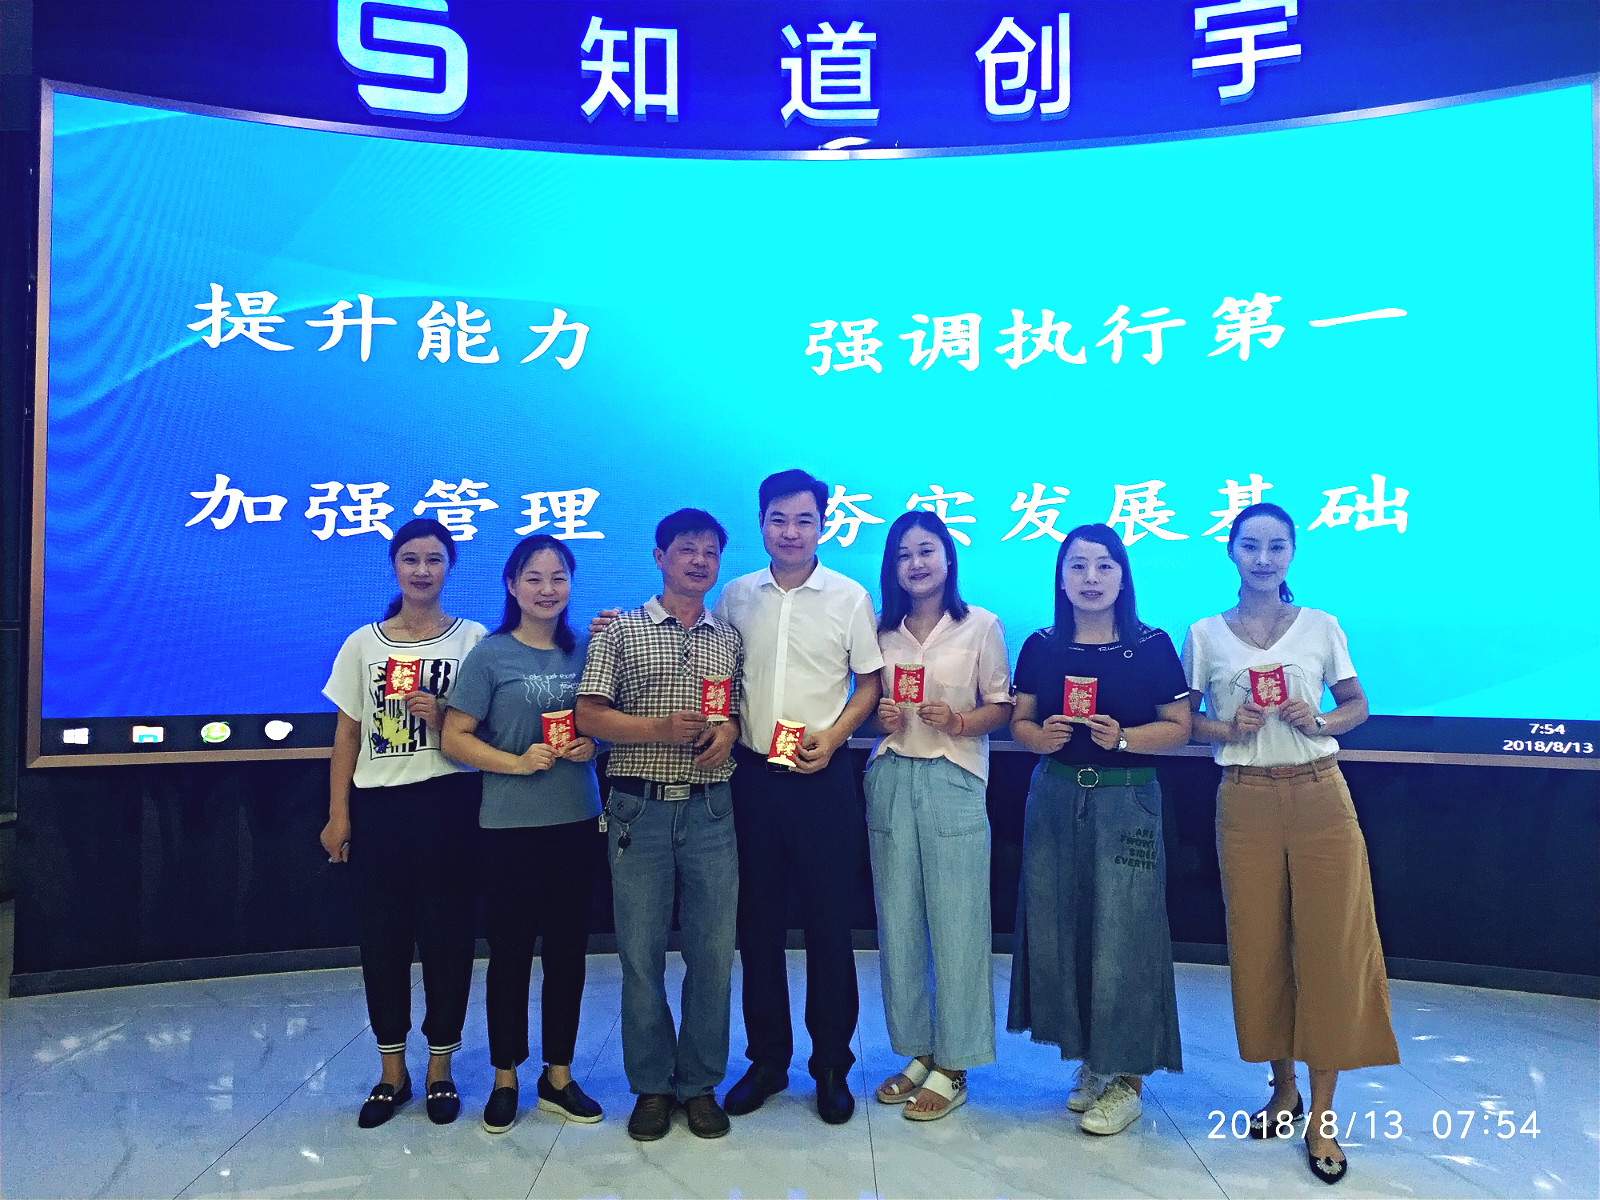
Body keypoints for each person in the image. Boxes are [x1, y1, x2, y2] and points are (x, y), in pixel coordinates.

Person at [1182, 502, 1398, 1186]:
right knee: (1260, 946)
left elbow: (1357, 705)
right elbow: (1185, 720)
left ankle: (1323, 1116)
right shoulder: (1205, 634)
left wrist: (1321, 718)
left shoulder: (1321, 626)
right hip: (1244, 796)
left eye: (1276, 546)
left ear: (1292, 553)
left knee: (1331, 949)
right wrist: (1228, 727)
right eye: (1251, 545)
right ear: (1232, 551)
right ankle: (1284, 1091)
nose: (1263, 558)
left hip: (1319, 794)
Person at [1007, 524, 1191, 1137]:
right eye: (1078, 566)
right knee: (1066, 927)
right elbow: (1021, 723)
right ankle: (1093, 1058)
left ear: (1122, 576)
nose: (1091, 577)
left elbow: (1180, 727)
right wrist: (1040, 737)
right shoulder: (1040, 646)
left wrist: (1126, 739)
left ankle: (1128, 1079)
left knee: (1127, 935)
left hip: (1126, 801)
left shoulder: (1152, 645)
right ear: (1061, 578)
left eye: (1104, 565)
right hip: (1056, 797)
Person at [713, 468, 885, 1126]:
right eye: (779, 519)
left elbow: (869, 684)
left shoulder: (848, 596)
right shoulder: (735, 596)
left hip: (823, 779)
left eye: (804, 520)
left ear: (823, 525)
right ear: (761, 524)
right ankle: (767, 1060)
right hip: (753, 778)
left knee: (828, 925)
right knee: (756, 924)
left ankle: (832, 1065)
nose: (791, 532)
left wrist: (836, 737)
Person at [575, 509, 744, 1142]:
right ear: (659, 557)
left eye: (710, 552)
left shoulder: (728, 638)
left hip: (711, 809)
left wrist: (728, 732)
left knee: (712, 954)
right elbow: (589, 716)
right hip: (637, 811)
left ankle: (699, 1085)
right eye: (686, 549)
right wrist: (658, 729)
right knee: (641, 955)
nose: (699, 561)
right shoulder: (619, 630)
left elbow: (733, 711)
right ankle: (651, 1085)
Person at [319, 518, 487, 1128]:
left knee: (449, 939)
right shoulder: (363, 644)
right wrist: (338, 814)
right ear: (394, 566)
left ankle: (441, 1067)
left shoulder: (473, 639)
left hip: (452, 803)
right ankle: (392, 1072)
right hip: (380, 808)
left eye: (434, 559)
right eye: (411, 559)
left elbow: (492, 726)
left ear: (450, 567)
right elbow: (347, 734)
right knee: (383, 941)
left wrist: (444, 715)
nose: (422, 570)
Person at [440, 535, 605, 1134]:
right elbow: (454, 737)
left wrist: (593, 744)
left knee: (568, 953)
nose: (546, 589)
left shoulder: (586, 651)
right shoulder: (490, 654)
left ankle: (558, 1076)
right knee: (509, 954)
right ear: (512, 586)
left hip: (576, 821)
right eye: (533, 578)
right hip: (509, 826)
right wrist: (515, 762)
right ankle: (505, 1076)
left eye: (558, 577)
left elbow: (603, 721)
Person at [866, 512, 1013, 1121]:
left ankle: (955, 1063)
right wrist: (880, 716)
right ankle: (919, 1051)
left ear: (948, 558)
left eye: (927, 551)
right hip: (892, 774)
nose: (916, 564)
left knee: (958, 923)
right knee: (898, 922)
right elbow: (867, 700)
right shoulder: (881, 631)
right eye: (904, 555)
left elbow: (1001, 706)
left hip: (954, 776)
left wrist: (958, 721)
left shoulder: (981, 625)